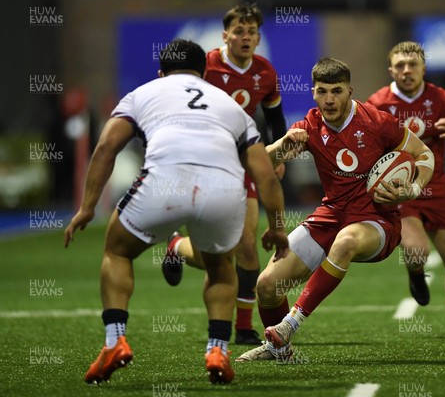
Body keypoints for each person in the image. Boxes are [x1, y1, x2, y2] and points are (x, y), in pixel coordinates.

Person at [63, 39, 288, 384]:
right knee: (221, 267)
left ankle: (114, 341)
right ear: (204, 72)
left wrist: (87, 206)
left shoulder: (144, 93)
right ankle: (217, 350)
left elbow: (108, 146)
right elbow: (266, 177)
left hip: (163, 184)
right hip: (224, 191)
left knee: (118, 250)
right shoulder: (229, 106)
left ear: (160, 71)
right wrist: (276, 228)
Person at [235, 57, 435, 361]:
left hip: (378, 222)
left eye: (337, 91)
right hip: (331, 215)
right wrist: (284, 144)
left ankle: (289, 325)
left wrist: (414, 188)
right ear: (313, 93)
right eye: (323, 91)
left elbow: (424, 154)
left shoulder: (376, 122)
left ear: (350, 92)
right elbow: (260, 166)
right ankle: (281, 352)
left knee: (346, 242)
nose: (329, 99)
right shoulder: (309, 127)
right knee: (266, 286)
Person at [161, 3, 287, 346]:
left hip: (240, 161)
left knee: (247, 249)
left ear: (258, 38)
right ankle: (176, 246)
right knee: (215, 255)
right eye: (239, 32)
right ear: (225, 36)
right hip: (201, 162)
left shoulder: (265, 72)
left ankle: (243, 327)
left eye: (251, 33)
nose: (245, 38)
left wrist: (278, 153)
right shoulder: (206, 66)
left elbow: (275, 119)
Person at [366, 41, 445, 337]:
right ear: (391, 70)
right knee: (416, 252)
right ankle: (416, 274)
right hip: (403, 192)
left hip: (437, 189)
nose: (407, 70)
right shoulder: (378, 103)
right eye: (400, 65)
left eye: (412, 64)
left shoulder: (439, 98)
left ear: (423, 68)